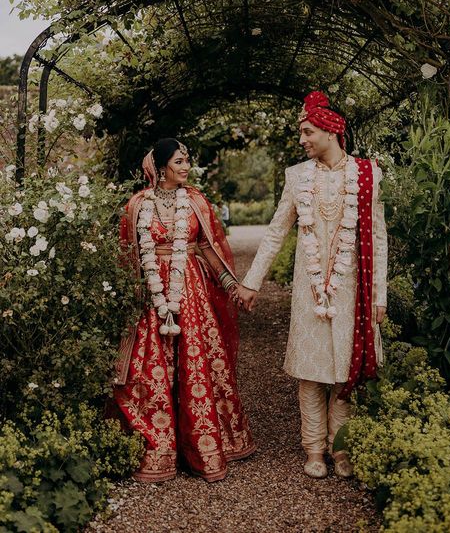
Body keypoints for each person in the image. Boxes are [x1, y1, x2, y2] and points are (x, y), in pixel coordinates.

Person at [237, 91, 388, 479]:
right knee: (310, 371)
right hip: (309, 288)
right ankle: (314, 449)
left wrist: (379, 295)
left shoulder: (368, 173)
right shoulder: (296, 176)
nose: (302, 140)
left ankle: (341, 448)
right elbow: (275, 232)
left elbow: (379, 236)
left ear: (331, 131)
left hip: (352, 287)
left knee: (343, 372)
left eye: (307, 132)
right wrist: (252, 281)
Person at [114, 139, 255, 482]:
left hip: (190, 291)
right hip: (150, 295)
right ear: (161, 167)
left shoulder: (195, 202)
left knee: (196, 365)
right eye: (180, 161)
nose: (186, 166)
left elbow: (208, 248)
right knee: (151, 367)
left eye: (187, 160)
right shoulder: (136, 205)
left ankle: (201, 449)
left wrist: (232, 285)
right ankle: (158, 448)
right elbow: (126, 255)